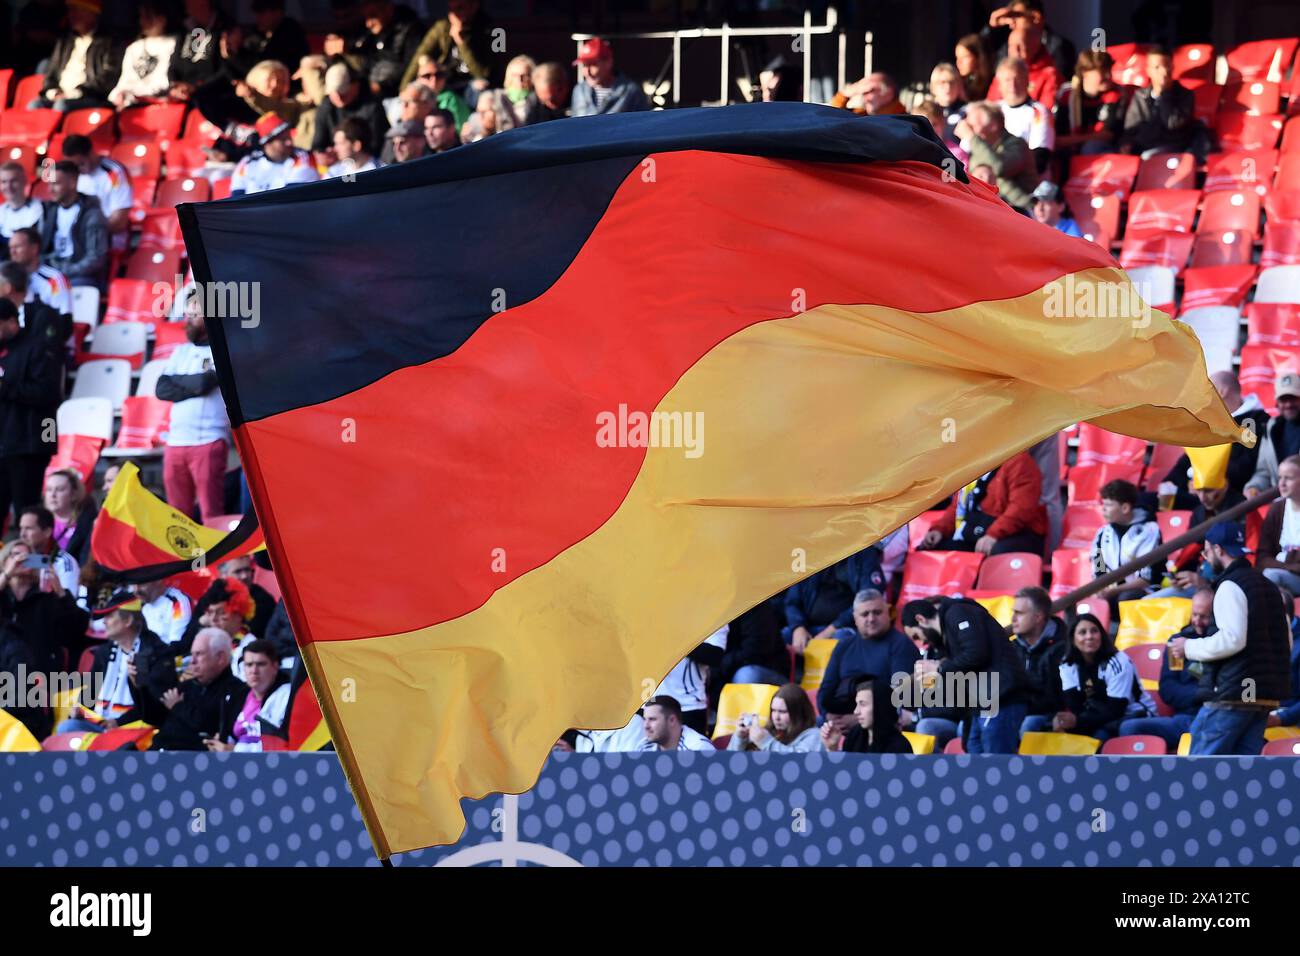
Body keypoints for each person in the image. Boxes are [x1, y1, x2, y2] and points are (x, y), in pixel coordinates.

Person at [1169, 523, 1292, 755]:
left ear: (1218, 549)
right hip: (1261, 696)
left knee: (1199, 773)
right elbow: (1285, 640)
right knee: (1241, 777)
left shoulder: (1230, 585)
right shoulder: (1269, 586)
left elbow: (1232, 639)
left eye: (1206, 552)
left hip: (1232, 696)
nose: (1205, 558)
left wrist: (1189, 647)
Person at [901, 596, 1028, 753]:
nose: (922, 642)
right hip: (981, 704)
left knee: (997, 763)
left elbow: (976, 653)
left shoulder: (958, 612)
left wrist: (939, 668)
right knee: (973, 750)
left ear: (921, 619)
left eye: (916, 636)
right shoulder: (945, 638)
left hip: (1002, 698)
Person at [56, 590, 177, 736]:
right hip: (102, 725)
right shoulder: (104, 652)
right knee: (67, 727)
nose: (104, 622)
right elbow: (90, 691)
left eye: (110, 616)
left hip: (137, 731)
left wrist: (119, 722)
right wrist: (79, 711)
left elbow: (156, 706)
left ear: (128, 621)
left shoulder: (158, 653)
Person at [155, 292, 230, 521]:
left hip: (209, 440)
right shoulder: (181, 351)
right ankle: (185, 559)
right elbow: (161, 389)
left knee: (211, 514)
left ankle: (215, 559)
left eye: (196, 313)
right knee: (177, 518)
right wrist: (194, 383)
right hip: (175, 442)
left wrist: (181, 382)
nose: (189, 318)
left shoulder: (224, 348)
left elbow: (205, 383)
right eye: (189, 313)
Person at [1118, 588, 1213, 749]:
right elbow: (1168, 688)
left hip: (1213, 718)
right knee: (1129, 727)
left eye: (1203, 617)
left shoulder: (1221, 643)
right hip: (1184, 719)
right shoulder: (1177, 642)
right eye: (1194, 614)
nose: (1197, 621)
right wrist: (1200, 694)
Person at [0, 299, 61, 527]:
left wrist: (5, 388)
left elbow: (50, 394)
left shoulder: (39, 347)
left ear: (10, 321)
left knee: (27, 514)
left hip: (31, 445)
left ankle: (34, 561)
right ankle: (9, 562)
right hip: (5, 445)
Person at [921, 449, 1047, 556]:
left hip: (1017, 534)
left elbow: (1021, 509)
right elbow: (958, 506)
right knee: (932, 547)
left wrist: (993, 535)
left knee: (994, 550)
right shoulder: (972, 462)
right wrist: (939, 530)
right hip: (979, 531)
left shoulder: (1020, 461)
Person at [1054, 613, 1155, 742]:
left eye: (1094, 631)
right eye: (1082, 632)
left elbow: (1116, 709)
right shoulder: (1067, 664)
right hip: (1096, 715)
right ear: (1073, 639)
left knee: (1099, 736)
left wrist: (1078, 721)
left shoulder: (1118, 662)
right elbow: (1074, 704)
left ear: (1102, 635)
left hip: (1133, 715)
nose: (1089, 636)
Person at [817, 589, 918, 716]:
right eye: (865, 614)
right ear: (855, 618)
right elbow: (825, 691)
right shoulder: (843, 646)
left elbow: (900, 697)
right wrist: (829, 717)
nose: (871, 618)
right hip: (840, 718)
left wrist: (858, 719)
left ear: (888, 613)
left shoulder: (902, 645)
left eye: (877, 612)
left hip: (882, 720)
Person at [148, 628, 249, 750]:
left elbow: (208, 724)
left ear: (220, 658)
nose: (192, 661)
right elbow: (152, 716)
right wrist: (139, 685)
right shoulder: (188, 686)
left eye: (199, 654)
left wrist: (178, 707)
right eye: (192, 654)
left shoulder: (237, 691)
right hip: (159, 752)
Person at [0, 540, 89, 673]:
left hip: (39, 674)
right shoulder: (3, 595)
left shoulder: (45, 597)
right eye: (15, 555)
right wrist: (6, 574)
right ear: (4, 561)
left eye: (28, 557)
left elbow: (76, 628)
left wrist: (60, 592)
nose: (22, 560)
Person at [782, 545, 887, 650]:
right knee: (783, 636)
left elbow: (869, 599)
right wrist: (798, 628)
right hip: (808, 627)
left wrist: (829, 631)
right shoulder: (809, 553)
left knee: (842, 640)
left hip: (845, 627)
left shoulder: (864, 553)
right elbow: (792, 601)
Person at [1090, 478, 1162, 616]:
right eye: (1103, 504)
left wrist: (1113, 591)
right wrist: (1101, 588)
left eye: (1109, 505)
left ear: (1125, 508)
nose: (1103, 509)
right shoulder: (1102, 533)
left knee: (1126, 599)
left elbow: (1145, 580)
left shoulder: (1149, 531)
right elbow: (1099, 568)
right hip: (1112, 591)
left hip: (1144, 592)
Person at [203, 639, 289, 751]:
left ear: (275, 666)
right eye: (249, 665)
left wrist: (234, 750)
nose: (254, 670)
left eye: (261, 664)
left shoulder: (286, 695)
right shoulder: (237, 695)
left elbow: (280, 743)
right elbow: (230, 735)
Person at [35, 0, 121, 112]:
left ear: (92, 13)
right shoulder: (65, 41)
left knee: (61, 106)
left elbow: (108, 77)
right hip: (60, 95)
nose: (71, 15)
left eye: (76, 10)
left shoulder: (109, 42)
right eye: (70, 10)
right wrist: (54, 92)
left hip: (88, 96)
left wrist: (77, 92)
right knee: (35, 105)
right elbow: (51, 74)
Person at [38, 161, 109, 292]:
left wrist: (65, 272)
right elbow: (39, 249)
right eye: (49, 184)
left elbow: (96, 259)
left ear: (72, 183)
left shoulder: (92, 214)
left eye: (56, 184)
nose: (50, 189)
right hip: (52, 272)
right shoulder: (48, 212)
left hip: (81, 277)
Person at [1118, 47, 1200, 159]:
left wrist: (1164, 94)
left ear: (1172, 67)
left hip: (1172, 148)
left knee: (1148, 157)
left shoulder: (1185, 95)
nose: (1164, 72)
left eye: (1166, 66)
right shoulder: (1140, 96)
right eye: (1157, 67)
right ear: (1148, 71)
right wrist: (1126, 144)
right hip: (1143, 145)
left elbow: (1172, 123)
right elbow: (1131, 127)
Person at [958, 102, 1039, 214]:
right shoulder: (980, 148)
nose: (970, 131)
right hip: (993, 209)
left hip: (1024, 211)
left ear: (993, 126)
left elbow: (1000, 167)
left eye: (973, 126)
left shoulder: (1017, 145)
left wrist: (972, 138)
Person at [400, 0, 498, 91]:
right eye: (452, 9)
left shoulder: (491, 30)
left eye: (460, 8)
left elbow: (483, 74)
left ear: (474, 6)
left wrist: (460, 41)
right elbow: (419, 57)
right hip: (445, 83)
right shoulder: (442, 27)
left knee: (480, 87)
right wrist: (404, 89)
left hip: (473, 85)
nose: (455, 14)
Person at [1010, 586, 1068, 736]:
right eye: (1013, 612)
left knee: (1028, 725)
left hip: (1051, 715)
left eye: (1019, 613)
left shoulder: (1064, 648)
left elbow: (1056, 698)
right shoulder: (1010, 648)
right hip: (1017, 711)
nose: (1013, 619)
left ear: (1038, 617)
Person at [61, 134, 132, 252]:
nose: (77, 169)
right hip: (78, 241)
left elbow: (120, 220)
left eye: (81, 164)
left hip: (108, 240)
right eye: (73, 166)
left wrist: (88, 234)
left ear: (91, 153)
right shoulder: (71, 175)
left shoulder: (114, 172)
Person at [651, 625, 726, 735]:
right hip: (648, 701)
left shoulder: (712, 612)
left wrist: (676, 638)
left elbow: (715, 655)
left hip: (688, 704)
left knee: (689, 751)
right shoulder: (651, 611)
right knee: (644, 750)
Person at [980, 0, 1074, 81]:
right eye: (1010, 18)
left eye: (1016, 17)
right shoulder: (1006, 43)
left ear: (1035, 17)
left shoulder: (1059, 47)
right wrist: (991, 28)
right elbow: (978, 53)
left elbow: (1058, 86)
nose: (1011, 23)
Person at [311, 64, 390, 160]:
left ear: (355, 85)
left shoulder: (372, 107)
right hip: (336, 166)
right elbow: (318, 144)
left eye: (342, 91)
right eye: (333, 93)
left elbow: (377, 144)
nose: (338, 97)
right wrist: (323, 155)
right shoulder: (326, 108)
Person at [231, 113, 321, 197]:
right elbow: (237, 199)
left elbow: (291, 198)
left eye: (289, 136)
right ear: (267, 143)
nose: (289, 142)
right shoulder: (247, 163)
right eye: (283, 139)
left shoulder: (303, 158)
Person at [1055, 50, 1126, 156]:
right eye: (1102, 71)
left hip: (1104, 151)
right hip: (1070, 151)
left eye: (1109, 70)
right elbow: (1057, 139)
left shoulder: (1116, 94)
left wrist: (1076, 140)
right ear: (1085, 72)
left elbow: (1108, 135)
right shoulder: (1068, 95)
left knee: (1091, 147)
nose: (1108, 76)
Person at [107, 0, 177, 108]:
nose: (143, 22)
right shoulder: (134, 48)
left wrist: (135, 94)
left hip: (157, 103)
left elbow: (164, 81)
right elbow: (125, 80)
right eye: (142, 17)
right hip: (129, 103)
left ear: (162, 18)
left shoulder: (173, 44)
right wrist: (119, 93)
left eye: (148, 17)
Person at [988, 57, 1055, 164]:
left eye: (1017, 79)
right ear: (999, 85)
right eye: (1007, 80)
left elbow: (1040, 157)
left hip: (1025, 177)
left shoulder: (1039, 112)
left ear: (1027, 82)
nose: (1012, 85)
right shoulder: (991, 110)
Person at [822, 676, 912, 753]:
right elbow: (844, 771)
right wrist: (832, 748)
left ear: (880, 707)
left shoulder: (900, 746)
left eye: (863, 704)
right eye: (857, 704)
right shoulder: (854, 736)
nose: (856, 711)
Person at [1246, 373, 1300, 498]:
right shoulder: (1272, 428)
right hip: (1282, 505)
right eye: (1283, 399)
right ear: (1277, 402)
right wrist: (1254, 487)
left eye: (1293, 398)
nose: (1288, 404)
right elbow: (1264, 471)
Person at [727, 683, 819, 753]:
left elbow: (798, 764)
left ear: (799, 712)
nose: (776, 717)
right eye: (773, 710)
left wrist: (765, 742)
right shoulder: (767, 733)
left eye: (782, 712)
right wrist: (740, 738)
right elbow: (729, 763)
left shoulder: (814, 735)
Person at [569, 37, 649, 117]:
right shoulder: (579, 90)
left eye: (593, 64)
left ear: (609, 63)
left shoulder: (632, 92)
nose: (587, 72)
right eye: (584, 65)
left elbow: (643, 124)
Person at [1256, 455, 1300, 594]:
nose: (1282, 483)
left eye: (1289, 478)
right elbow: (1263, 557)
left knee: (1271, 576)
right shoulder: (1277, 508)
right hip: (1283, 574)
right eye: (1280, 477)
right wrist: (1290, 565)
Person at [719, 599, 788, 687]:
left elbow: (755, 652)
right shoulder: (714, 608)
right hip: (729, 667)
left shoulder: (756, 604)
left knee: (745, 676)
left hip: (768, 669)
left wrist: (720, 665)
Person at [8, 229, 72, 317]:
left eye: (18, 246)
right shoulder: (6, 279)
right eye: (11, 248)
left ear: (34, 248)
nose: (13, 252)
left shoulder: (54, 279)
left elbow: (64, 317)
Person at [18, 506, 80, 594]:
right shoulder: (16, 558)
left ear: (47, 532)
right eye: (21, 528)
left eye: (29, 528)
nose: (22, 534)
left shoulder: (63, 562)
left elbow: (69, 601)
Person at [219, 555, 275, 637]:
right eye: (238, 572)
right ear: (224, 576)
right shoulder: (214, 598)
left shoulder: (264, 600)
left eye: (247, 570)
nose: (244, 576)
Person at [410, 55, 471, 129]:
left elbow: (456, 132)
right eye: (427, 76)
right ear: (418, 79)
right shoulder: (410, 98)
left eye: (438, 75)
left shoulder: (451, 99)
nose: (434, 79)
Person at [1269, 587, 1300, 730]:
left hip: (1289, 716)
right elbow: (1249, 681)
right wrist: (1248, 703)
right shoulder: (1255, 638)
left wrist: (1280, 718)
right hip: (1260, 711)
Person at [133, 577, 194, 647]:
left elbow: (176, 643)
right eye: (133, 585)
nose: (136, 590)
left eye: (142, 583)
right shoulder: (138, 604)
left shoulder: (177, 603)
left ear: (158, 580)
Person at [639, 695, 713, 751]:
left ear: (672, 720)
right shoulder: (644, 746)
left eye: (652, 719)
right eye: (645, 719)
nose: (646, 726)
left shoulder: (699, 748)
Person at [0, 164, 43, 258]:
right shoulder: (1, 211)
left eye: (13, 181)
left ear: (24, 181)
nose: (9, 186)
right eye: (4, 182)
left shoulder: (40, 209)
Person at [831, 71, 905, 116]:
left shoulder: (904, 121)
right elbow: (832, 117)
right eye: (862, 92)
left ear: (889, 94)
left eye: (870, 91)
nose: (865, 97)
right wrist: (845, 94)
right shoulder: (862, 115)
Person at [954, 33, 992, 103]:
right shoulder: (957, 84)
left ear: (978, 57)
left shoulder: (993, 83)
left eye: (964, 57)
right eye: (957, 57)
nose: (959, 62)